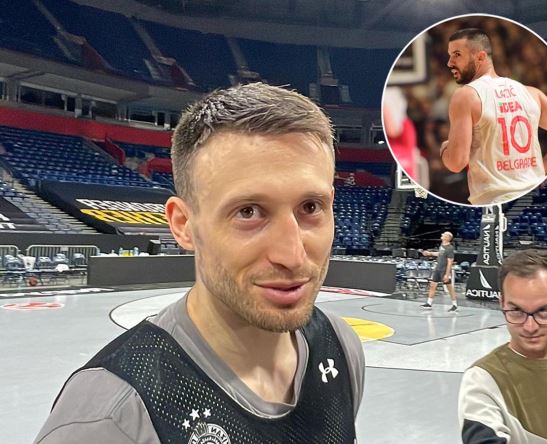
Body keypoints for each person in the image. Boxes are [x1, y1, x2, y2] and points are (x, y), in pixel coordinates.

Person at [35, 83, 365, 443]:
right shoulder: (113, 417)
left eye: (311, 207)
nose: (292, 255)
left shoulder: (340, 347)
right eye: (248, 212)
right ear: (183, 225)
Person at [458, 249, 547, 443]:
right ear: (502, 305)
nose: (530, 327)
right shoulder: (483, 379)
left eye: (543, 311)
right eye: (517, 311)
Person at [440, 28, 547, 205]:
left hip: (496, 200)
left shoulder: (466, 95)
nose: (449, 63)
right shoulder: (531, 93)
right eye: (450, 55)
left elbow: (456, 163)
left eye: (457, 55)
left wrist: (444, 150)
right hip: (536, 196)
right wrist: (545, 167)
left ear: (480, 57)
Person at [420, 231, 458, 311]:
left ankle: (454, 305)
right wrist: (430, 253)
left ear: (447, 238)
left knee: (449, 287)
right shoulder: (442, 245)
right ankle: (429, 303)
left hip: (444, 270)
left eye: (444, 234)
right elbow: (440, 253)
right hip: (438, 269)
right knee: (433, 285)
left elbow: (450, 262)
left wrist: (447, 274)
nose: (442, 235)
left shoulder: (450, 248)